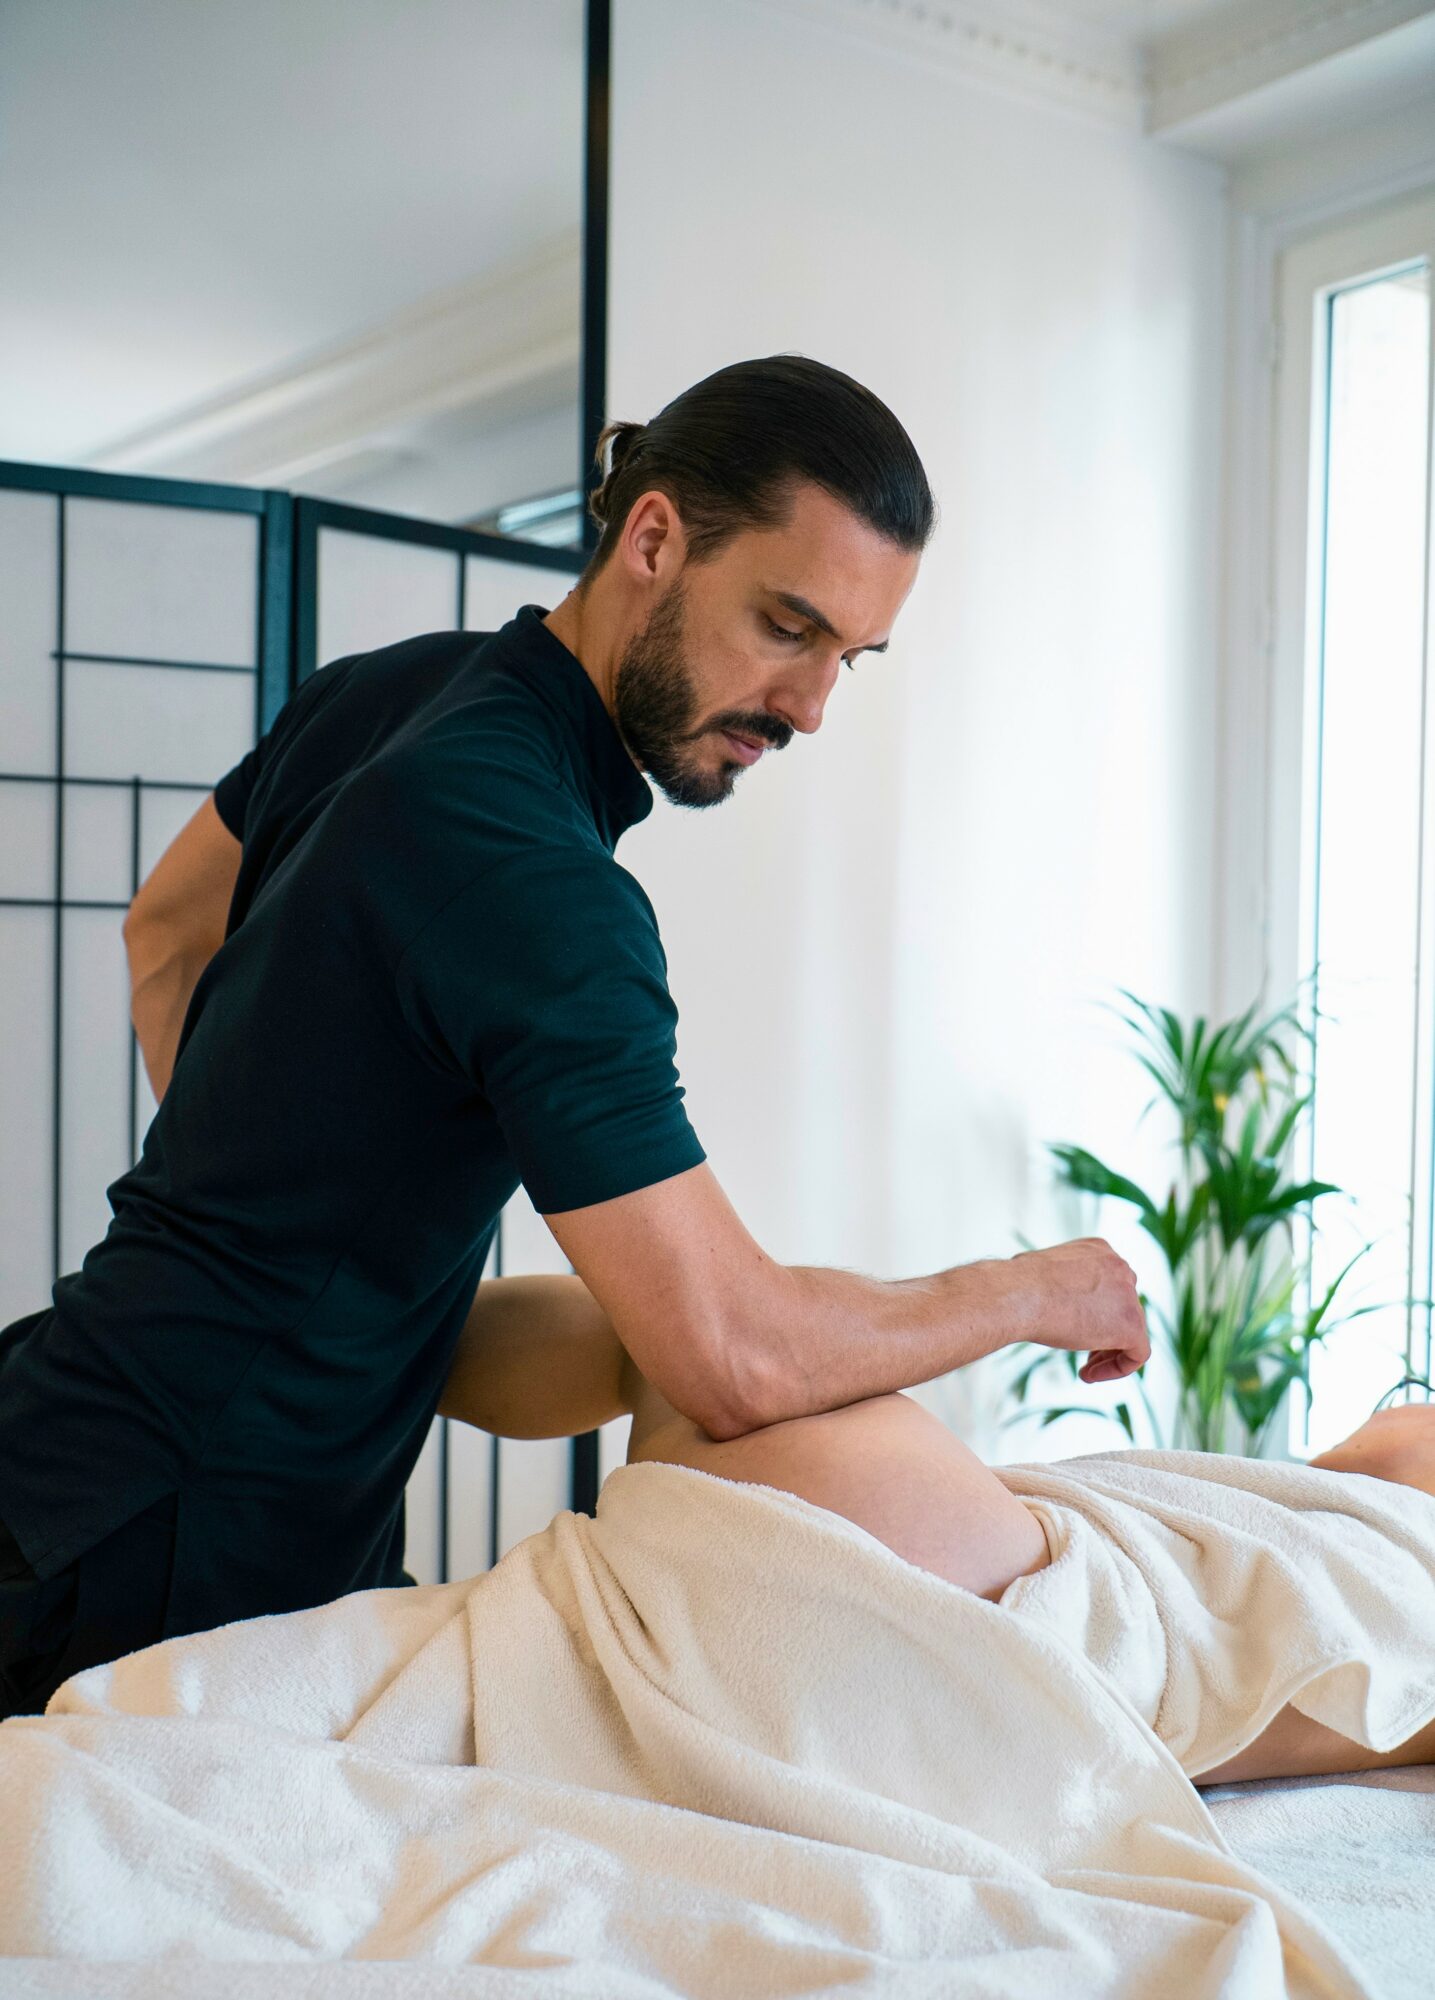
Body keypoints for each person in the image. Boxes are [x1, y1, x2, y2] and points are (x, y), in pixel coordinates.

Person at [0, 354, 1148, 1720]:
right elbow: (736, 1359)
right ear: (652, 538)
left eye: (847, 657)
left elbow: (167, 928)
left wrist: (272, 1235)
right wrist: (1034, 1292)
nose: (809, 705)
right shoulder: (535, 879)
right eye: (785, 625)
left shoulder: (387, 693)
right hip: (151, 1548)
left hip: (77, 1435)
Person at [442, 1267, 1435, 1788]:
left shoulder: (1388, 1511)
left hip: (1000, 1604)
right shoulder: (1379, 1612)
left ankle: (359, 1341)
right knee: (688, 1340)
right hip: (986, 1627)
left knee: (662, 1340)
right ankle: (359, 1343)